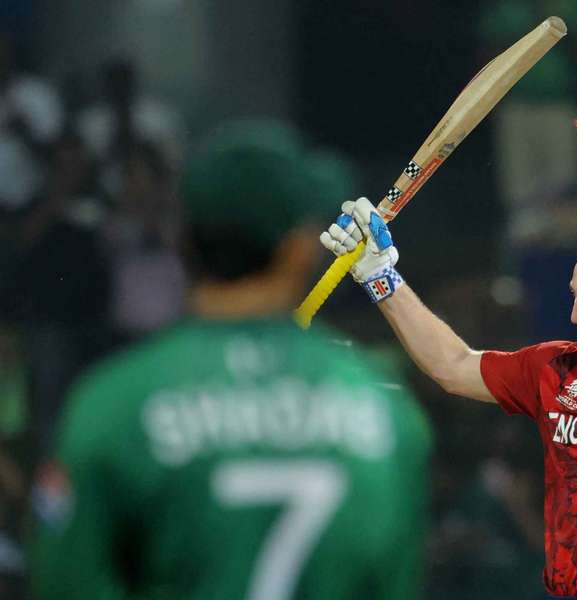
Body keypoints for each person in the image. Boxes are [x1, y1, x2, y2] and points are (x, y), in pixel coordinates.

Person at [322, 45, 577, 598]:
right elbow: (452, 366)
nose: (576, 314)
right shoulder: (554, 370)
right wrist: (381, 276)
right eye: (575, 297)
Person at [30, 118, 432, 600]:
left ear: (182, 243)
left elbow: (65, 584)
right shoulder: (383, 411)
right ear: (299, 251)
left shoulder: (112, 406)